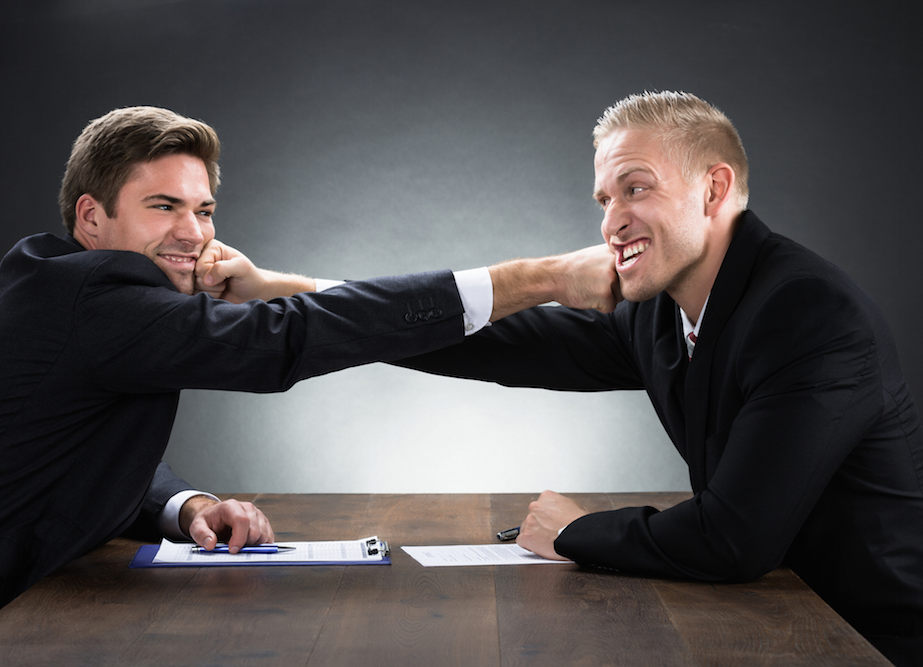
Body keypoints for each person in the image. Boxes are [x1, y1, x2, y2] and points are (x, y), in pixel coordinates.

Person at [0, 106, 618, 632]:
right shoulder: (97, 296)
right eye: (163, 207)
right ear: (91, 217)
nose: (193, 233)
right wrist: (540, 276)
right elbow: (281, 341)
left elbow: (65, 447)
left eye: (203, 210)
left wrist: (187, 506)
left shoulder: (58, 285)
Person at [391, 91, 923, 665]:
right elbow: (511, 345)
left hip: (869, 640)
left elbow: (732, 540)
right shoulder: (659, 312)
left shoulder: (808, 311)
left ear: (713, 190)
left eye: (636, 189)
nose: (610, 222)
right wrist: (339, 313)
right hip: (768, 619)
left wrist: (574, 531)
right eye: (604, 200)